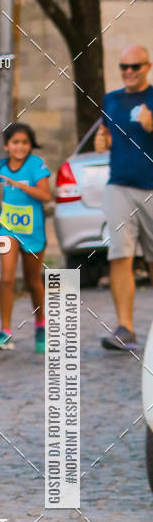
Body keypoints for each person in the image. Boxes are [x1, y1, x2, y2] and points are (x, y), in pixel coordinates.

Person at [94, 44, 153, 351]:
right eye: (124, 67)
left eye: (135, 67)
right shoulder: (111, 100)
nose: (128, 72)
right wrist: (101, 141)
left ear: (148, 66)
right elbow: (104, 137)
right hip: (118, 186)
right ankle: (125, 328)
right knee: (120, 255)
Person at [0, 122, 51, 352]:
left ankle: (41, 325)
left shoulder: (36, 165)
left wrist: (18, 184)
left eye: (25, 142)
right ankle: (5, 331)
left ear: (30, 146)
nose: (20, 147)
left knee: (33, 281)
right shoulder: (1, 165)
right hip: (7, 228)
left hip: (33, 230)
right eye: (15, 142)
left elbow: (46, 195)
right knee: (6, 278)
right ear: (7, 145)